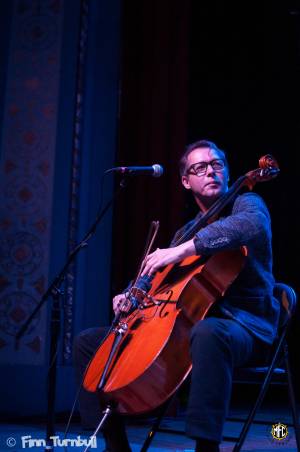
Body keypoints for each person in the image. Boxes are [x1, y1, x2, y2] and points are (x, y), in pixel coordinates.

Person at [73, 140, 280, 452]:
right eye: (200, 167)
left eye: (217, 164)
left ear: (226, 171)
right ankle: (115, 444)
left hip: (245, 327)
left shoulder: (247, 204)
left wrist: (182, 249)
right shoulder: (185, 230)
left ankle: (205, 447)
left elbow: (249, 227)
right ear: (186, 181)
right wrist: (133, 292)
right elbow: (155, 275)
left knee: (209, 332)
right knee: (88, 342)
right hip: (185, 327)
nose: (210, 171)